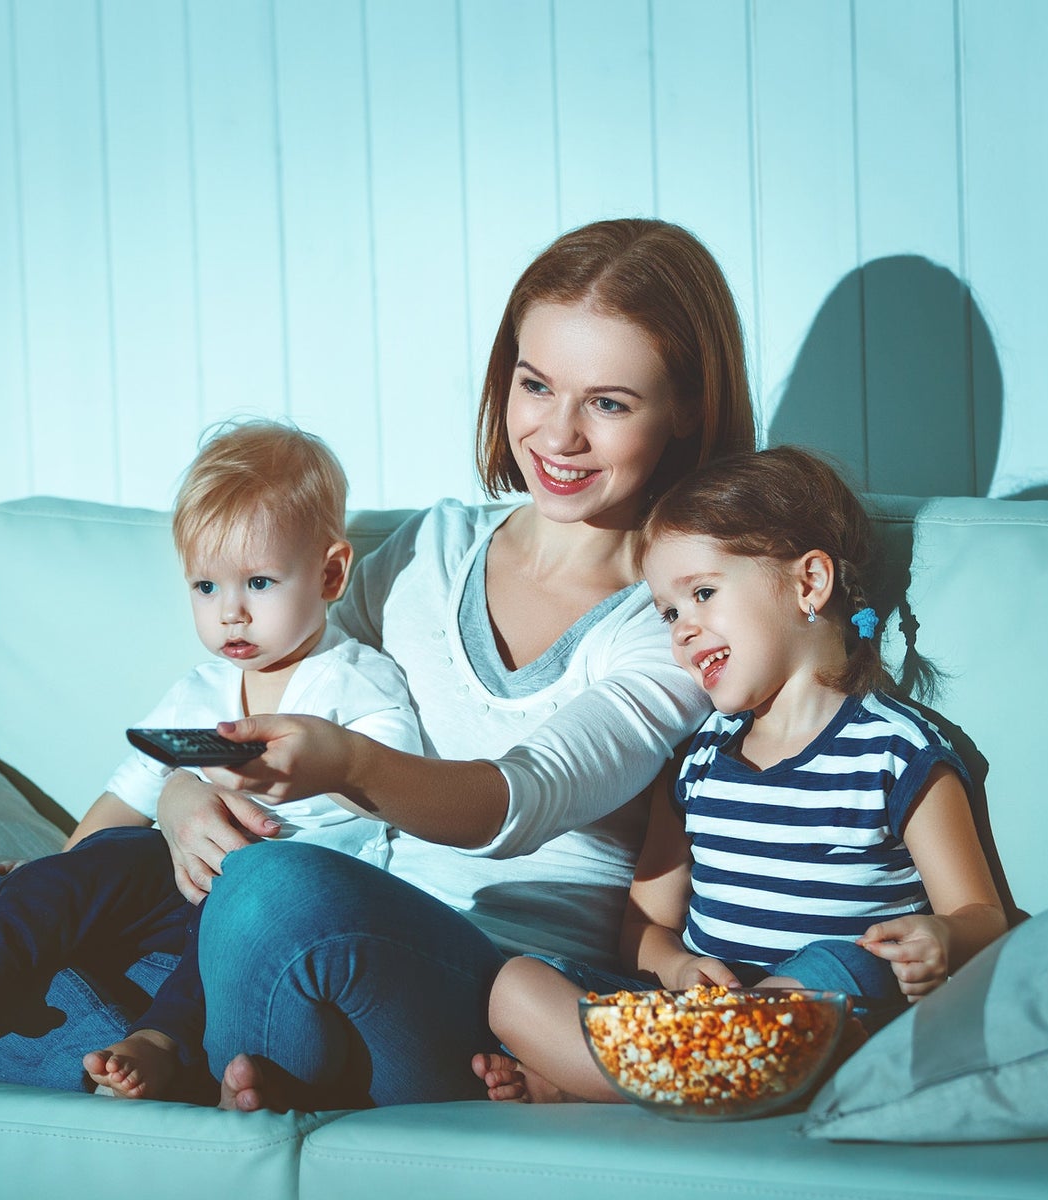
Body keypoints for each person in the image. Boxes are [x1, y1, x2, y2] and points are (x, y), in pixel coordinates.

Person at [157, 218, 759, 1110]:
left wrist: (352, 764)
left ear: (687, 414)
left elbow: (523, 800)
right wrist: (181, 800)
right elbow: (273, 684)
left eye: (610, 403)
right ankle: (238, 1064)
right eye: (536, 385)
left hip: (510, 989)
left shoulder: (672, 620)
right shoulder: (427, 551)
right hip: (347, 936)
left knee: (273, 892)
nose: (558, 435)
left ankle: (246, 1067)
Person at [0, 420, 421, 1096]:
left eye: (260, 583)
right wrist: (63, 872)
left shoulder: (358, 684)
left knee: (235, 913)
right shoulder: (197, 692)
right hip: (164, 906)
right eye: (206, 588)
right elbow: (125, 802)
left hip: (272, 923)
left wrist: (320, 773)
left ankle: (159, 1045)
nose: (230, 613)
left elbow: (398, 802)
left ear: (330, 573)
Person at [475, 446, 1008, 1103]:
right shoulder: (699, 763)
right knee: (517, 984)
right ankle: (685, 1074)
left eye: (702, 593)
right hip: (700, 1016)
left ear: (809, 583)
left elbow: (984, 915)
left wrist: (942, 937)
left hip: (821, 1012)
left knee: (847, 965)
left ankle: (608, 1077)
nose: (682, 632)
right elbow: (644, 927)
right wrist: (675, 968)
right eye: (669, 613)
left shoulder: (895, 755)